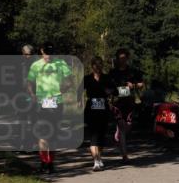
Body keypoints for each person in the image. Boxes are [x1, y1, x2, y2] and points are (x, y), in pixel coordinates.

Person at [27, 43, 73, 174]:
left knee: (53, 134)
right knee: (42, 134)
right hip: (41, 103)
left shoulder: (61, 63)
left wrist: (64, 89)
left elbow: (70, 80)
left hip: (56, 102)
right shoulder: (36, 65)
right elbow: (29, 82)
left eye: (50, 52)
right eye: (46, 52)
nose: (48, 55)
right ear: (41, 51)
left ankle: (51, 163)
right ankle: (44, 162)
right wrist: (32, 94)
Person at [108, 48, 144, 161]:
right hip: (117, 102)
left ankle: (118, 134)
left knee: (128, 126)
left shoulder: (133, 71)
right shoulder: (113, 72)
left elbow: (142, 84)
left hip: (129, 101)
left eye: (124, 58)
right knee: (122, 127)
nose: (122, 60)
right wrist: (112, 91)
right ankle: (124, 155)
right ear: (117, 59)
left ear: (127, 58)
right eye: (120, 58)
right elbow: (108, 87)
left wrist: (133, 85)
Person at [84, 56, 116, 171]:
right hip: (91, 109)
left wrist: (109, 91)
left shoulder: (107, 78)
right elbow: (78, 90)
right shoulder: (87, 78)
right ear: (92, 66)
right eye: (95, 65)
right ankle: (96, 161)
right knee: (93, 135)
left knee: (101, 135)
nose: (98, 67)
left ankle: (99, 157)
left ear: (102, 65)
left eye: (100, 64)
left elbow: (115, 91)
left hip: (103, 109)